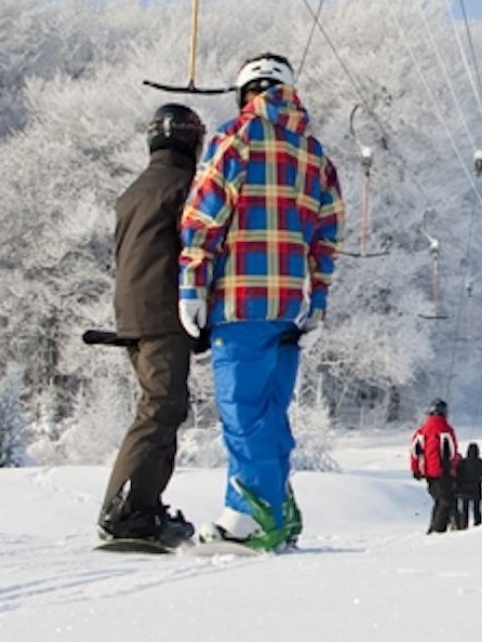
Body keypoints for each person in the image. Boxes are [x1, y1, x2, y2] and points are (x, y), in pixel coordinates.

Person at [179, 52, 344, 551]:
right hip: (290, 307)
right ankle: (279, 507)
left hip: (242, 298)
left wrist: (191, 286)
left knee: (242, 408)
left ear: (245, 92)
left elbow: (203, 217)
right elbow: (327, 235)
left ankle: (250, 516)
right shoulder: (316, 155)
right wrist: (316, 300)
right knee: (271, 411)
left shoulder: (235, 138)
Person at [97, 104, 206, 548]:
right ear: (191, 142)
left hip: (133, 313)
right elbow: (193, 247)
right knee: (159, 408)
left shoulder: (136, 189)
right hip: (163, 312)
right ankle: (126, 510)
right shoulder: (184, 187)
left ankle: (145, 504)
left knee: (164, 406)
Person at [409, 399, 460, 534]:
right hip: (443, 471)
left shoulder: (421, 431)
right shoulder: (446, 430)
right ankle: (438, 530)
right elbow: (453, 453)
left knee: (438, 500)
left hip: (427, 472)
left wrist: (415, 469)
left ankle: (433, 528)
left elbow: (414, 451)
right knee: (446, 501)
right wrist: (452, 467)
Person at [453, 442, 482, 529]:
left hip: (463, 489)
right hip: (476, 489)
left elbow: (457, 475)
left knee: (464, 509)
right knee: (477, 509)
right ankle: (478, 526)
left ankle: (463, 526)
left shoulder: (462, 462)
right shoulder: (481, 462)